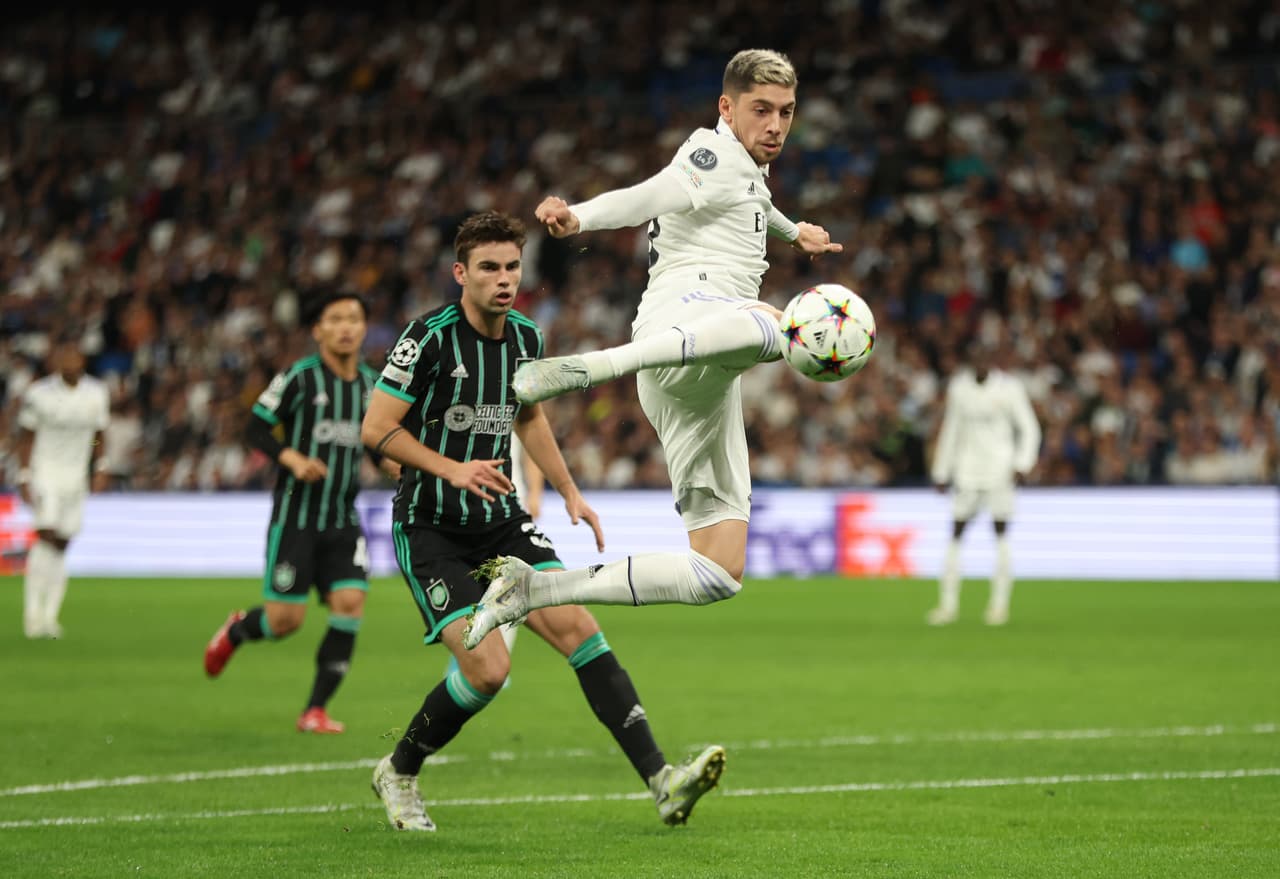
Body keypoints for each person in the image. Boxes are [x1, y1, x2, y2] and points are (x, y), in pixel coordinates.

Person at [460, 49, 840, 646]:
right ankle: (588, 368)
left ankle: (532, 590)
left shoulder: (747, 169)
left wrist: (796, 233)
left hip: (701, 371)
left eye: (786, 112)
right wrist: (578, 217)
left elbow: (754, 204)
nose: (775, 125)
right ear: (726, 108)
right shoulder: (710, 152)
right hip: (684, 315)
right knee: (784, 326)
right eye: (761, 110)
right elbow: (651, 195)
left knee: (718, 570)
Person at [360, 210, 724, 832]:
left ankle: (662, 781)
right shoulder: (428, 338)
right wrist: (451, 469)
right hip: (431, 525)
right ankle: (399, 769)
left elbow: (528, 416)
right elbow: (376, 429)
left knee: (580, 628)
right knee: (488, 671)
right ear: (460, 274)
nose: (504, 279)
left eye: (512, 267)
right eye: (489, 268)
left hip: (501, 523)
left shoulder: (527, 339)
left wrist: (569, 491)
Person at [203, 291, 398, 734]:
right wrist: (290, 458)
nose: (346, 327)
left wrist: (393, 465)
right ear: (318, 330)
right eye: (336, 319)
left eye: (354, 318)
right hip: (296, 518)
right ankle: (237, 630)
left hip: (343, 518)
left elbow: (372, 445)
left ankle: (315, 710)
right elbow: (256, 427)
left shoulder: (373, 386)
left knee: (350, 602)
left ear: (364, 328)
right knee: (284, 622)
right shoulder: (299, 377)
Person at [927, 344, 1041, 626]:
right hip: (966, 470)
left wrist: (1022, 464)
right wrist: (941, 471)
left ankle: (999, 606)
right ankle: (947, 605)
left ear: (992, 360)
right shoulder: (959, 388)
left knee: (1000, 534)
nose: (979, 363)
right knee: (956, 533)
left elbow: (1029, 428)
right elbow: (952, 429)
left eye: (984, 358)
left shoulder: (1010, 388)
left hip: (999, 472)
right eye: (975, 358)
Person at [15, 338, 110, 639]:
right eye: (64, 356)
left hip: (75, 476)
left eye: (74, 356)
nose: (69, 361)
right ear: (56, 361)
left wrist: (99, 465)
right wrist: (24, 475)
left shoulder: (96, 393)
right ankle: (33, 615)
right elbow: (27, 436)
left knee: (62, 543)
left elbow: (97, 433)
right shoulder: (39, 394)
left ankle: (50, 617)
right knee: (46, 535)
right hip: (45, 472)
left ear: (82, 360)